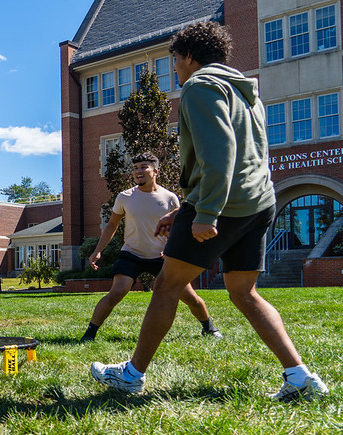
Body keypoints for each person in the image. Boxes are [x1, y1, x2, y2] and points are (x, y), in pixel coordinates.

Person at [90, 22, 328, 402]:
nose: (176, 70)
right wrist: (186, 207)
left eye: (175, 62)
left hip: (224, 205)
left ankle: (132, 376)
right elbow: (250, 156)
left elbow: (220, 154)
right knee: (243, 291)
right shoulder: (248, 92)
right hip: (259, 201)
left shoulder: (200, 86)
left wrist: (206, 213)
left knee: (167, 285)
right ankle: (300, 376)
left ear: (187, 56)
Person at [80, 152, 221, 342]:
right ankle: (89, 334)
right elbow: (112, 226)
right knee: (117, 291)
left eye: (143, 167)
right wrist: (97, 251)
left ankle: (209, 328)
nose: (138, 171)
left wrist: (172, 250)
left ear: (155, 171)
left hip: (162, 257)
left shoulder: (169, 198)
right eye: (135, 168)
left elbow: (178, 230)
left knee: (188, 296)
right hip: (131, 253)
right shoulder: (125, 197)